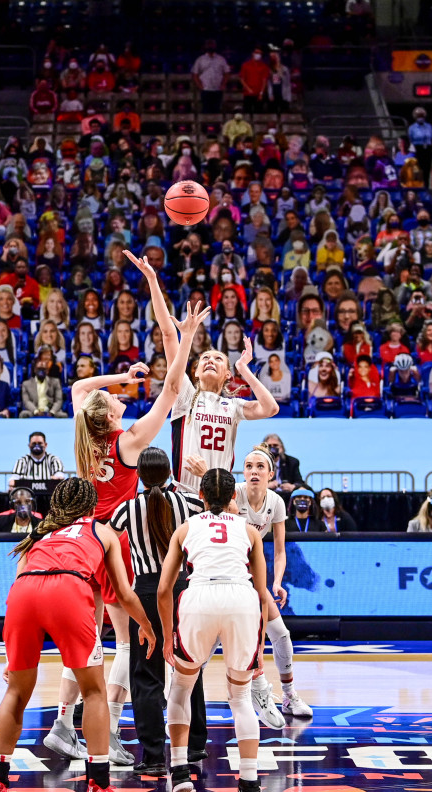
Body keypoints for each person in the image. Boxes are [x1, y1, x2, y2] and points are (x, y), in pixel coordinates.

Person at [45, 300, 205, 765]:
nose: (120, 397)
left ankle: (62, 722)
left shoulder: (83, 436)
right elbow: (172, 388)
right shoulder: (128, 442)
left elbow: (79, 387)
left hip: (81, 538)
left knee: (88, 637)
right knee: (129, 642)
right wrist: (186, 339)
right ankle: (109, 729)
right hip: (113, 544)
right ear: (111, 417)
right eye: (116, 399)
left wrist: (121, 378)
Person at [0, 477, 156, 792]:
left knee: (16, 692)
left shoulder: (40, 532)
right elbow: (124, 593)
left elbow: (20, 580)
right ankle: (99, 781)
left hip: (23, 594)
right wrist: (146, 625)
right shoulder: (102, 531)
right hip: (67, 589)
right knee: (93, 692)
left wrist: (13, 654)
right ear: (91, 506)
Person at [126, 251, 279, 494]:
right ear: (195, 372)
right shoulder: (186, 395)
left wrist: (244, 370)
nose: (210, 360)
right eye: (205, 358)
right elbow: (168, 334)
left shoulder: (233, 406)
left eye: (218, 359)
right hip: (184, 493)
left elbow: (271, 408)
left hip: (218, 495)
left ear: (227, 374)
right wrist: (153, 280)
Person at [158, 468, 267, 792]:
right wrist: (260, 647)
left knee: (181, 687)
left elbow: (164, 590)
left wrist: (167, 637)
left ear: (201, 496)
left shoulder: (186, 528)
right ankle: (249, 780)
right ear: (234, 496)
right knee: (241, 696)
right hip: (241, 599)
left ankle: (180, 773)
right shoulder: (250, 532)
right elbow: (262, 595)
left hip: (200, 597)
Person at [110, 447, 209, 775]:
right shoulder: (190, 503)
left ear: (138, 475)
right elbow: (220, 509)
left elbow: (105, 542)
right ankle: (194, 746)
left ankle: (152, 756)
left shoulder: (126, 509)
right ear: (169, 474)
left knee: (146, 676)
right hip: (184, 590)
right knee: (190, 670)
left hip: (146, 593)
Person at [234, 446, 311, 727]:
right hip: (228, 575)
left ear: (270, 474)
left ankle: (288, 696)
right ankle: (184, 699)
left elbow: (279, 551)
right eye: (249, 466)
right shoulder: (234, 494)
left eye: (260, 467)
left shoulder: (276, 502)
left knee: (281, 635)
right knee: (222, 644)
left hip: (253, 577)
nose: (253, 471)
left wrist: (277, 582)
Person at [190, 40, 229, 114]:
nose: (210, 46)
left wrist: (223, 84)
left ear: (215, 46)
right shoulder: (200, 59)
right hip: (205, 89)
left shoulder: (221, 59)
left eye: (212, 45)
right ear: (205, 46)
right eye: (209, 45)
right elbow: (195, 74)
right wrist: (200, 86)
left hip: (217, 89)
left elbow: (227, 72)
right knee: (206, 110)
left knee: (217, 109)